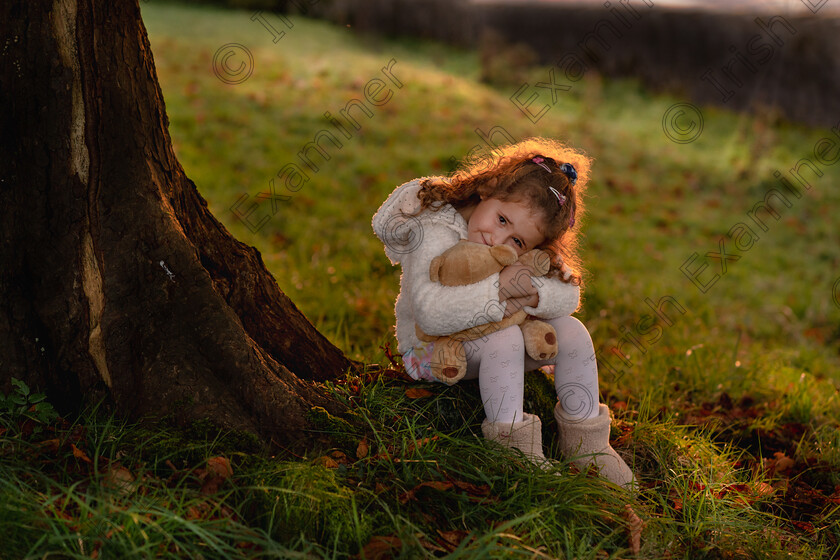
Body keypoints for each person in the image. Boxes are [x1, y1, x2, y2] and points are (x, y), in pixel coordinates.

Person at [371, 138, 635, 487]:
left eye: (518, 241)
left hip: (491, 345)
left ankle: (588, 446)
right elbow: (431, 313)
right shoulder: (435, 227)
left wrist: (532, 290)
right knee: (506, 336)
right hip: (430, 351)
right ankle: (513, 450)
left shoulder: (506, 242)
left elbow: (569, 294)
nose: (499, 240)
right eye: (501, 219)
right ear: (488, 188)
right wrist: (502, 294)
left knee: (572, 332)